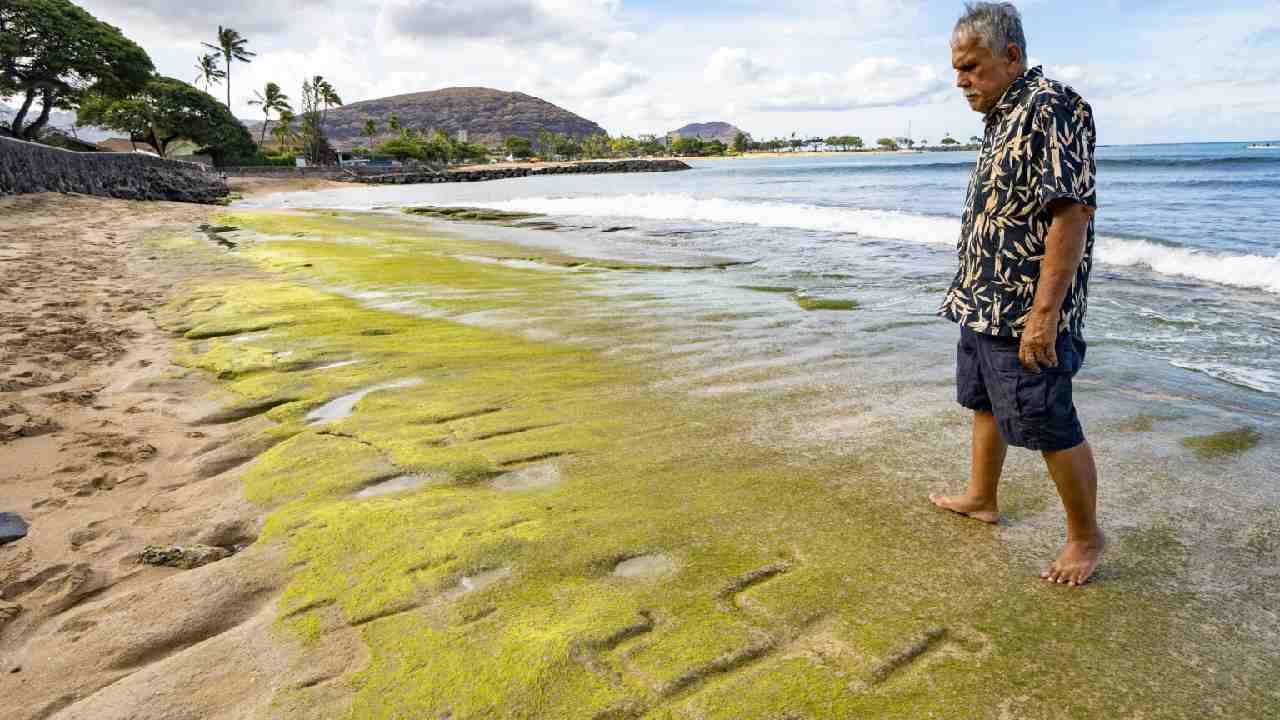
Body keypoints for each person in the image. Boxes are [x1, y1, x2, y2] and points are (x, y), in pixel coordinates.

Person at [930, 2, 1105, 586]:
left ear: (1011, 56)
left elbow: (1071, 213)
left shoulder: (1051, 105)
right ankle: (982, 498)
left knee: (1049, 421)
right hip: (981, 300)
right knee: (983, 402)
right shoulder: (1002, 114)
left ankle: (1086, 538)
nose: (961, 81)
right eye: (957, 69)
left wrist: (1044, 315)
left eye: (972, 67)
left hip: (1024, 312)